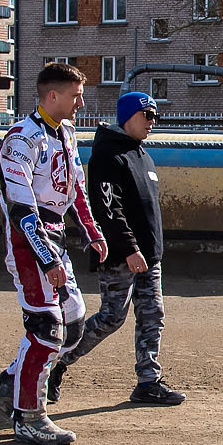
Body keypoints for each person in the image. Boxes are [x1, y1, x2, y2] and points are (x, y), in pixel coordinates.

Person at [0, 62, 110, 445]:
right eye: (75, 95)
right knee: (46, 328)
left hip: (55, 240)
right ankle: (28, 415)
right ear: (52, 95)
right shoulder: (20, 140)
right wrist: (47, 257)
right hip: (29, 245)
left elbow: (77, 189)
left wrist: (92, 231)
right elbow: (22, 210)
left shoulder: (67, 133)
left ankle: (11, 385)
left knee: (73, 326)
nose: (81, 102)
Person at [57, 91, 185, 408]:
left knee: (152, 316)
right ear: (128, 116)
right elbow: (108, 210)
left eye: (155, 115)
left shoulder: (142, 155)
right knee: (112, 317)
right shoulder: (108, 155)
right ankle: (55, 363)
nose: (153, 121)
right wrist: (129, 248)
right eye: (147, 115)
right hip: (121, 256)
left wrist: (149, 249)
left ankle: (148, 382)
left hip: (149, 256)